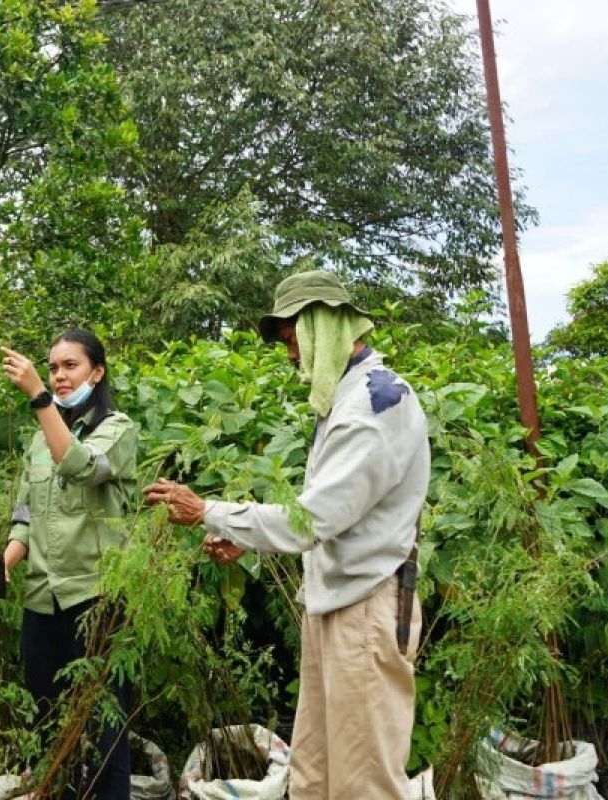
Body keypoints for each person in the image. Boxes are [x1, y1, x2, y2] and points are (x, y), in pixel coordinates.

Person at [142, 271, 429, 800]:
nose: (292, 357)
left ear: (322, 326)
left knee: (364, 783)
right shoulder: (347, 400)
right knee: (315, 776)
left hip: (364, 611)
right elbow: (335, 518)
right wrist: (246, 537)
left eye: (294, 341)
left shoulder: (374, 404)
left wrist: (207, 511)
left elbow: (310, 521)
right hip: (336, 606)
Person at [0, 329, 139, 800]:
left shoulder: (117, 429)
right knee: (46, 727)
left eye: (71, 366)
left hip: (96, 599)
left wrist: (38, 396)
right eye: (52, 368)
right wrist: (6, 562)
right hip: (41, 601)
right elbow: (25, 515)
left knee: (102, 729)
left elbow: (81, 466)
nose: (59, 376)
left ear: (98, 372)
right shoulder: (37, 440)